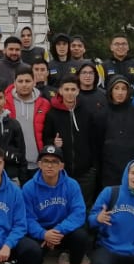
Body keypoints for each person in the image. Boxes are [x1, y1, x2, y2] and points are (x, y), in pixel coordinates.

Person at [21, 144, 90, 264]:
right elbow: (27, 218)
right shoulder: (28, 188)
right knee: (29, 243)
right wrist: (44, 234)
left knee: (81, 236)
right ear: (39, 164)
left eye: (54, 162)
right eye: (46, 161)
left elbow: (78, 214)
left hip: (62, 231)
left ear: (61, 166)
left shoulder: (72, 185)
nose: (50, 165)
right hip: (41, 232)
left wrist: (57, 231)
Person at [40, 76, 97, 204]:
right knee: (63, 204)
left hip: (85, 171)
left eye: (73, 89)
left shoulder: (86, 112)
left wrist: (93, 167)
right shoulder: (52, 114)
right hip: (62, 171)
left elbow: (94, 140)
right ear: (60, 91)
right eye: (66, 89)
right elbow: (46, 138)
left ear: (77, 91)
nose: (70, 93)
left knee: (84, 205)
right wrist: (53, 143)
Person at [96, 76, 134, 197]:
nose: (120, 92)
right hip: (109, 169)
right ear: (110, 91)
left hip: (133, 168)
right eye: (116, 88)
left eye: (123, 89)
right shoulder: (101, 114)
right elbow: (96, 143)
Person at [4, 66, 48, 182]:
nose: (24, 85)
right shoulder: (4, 103)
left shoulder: (44, 104)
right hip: (13, 164)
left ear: (34, 82)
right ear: (14, 83)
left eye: (28, 81)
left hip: (37, 164)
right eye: (20, 81)